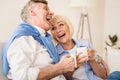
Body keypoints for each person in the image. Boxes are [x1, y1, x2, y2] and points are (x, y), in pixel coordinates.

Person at [2, 0, 75, 80]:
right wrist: (60, 68)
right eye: (46, 9)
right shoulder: (23, 39)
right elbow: (21, 76)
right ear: (32, 12)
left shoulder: (44, 38)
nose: (52, 12)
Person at [50, 14, 109, 80]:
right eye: (53, 28)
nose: (58, 30)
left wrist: (92, 60)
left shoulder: (86, 44)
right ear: (52, 34)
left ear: (68, 26)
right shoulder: (55, 54)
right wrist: (74, 66)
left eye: (61, 25)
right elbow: (64, 78)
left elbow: (104, 76)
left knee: (116, 74)